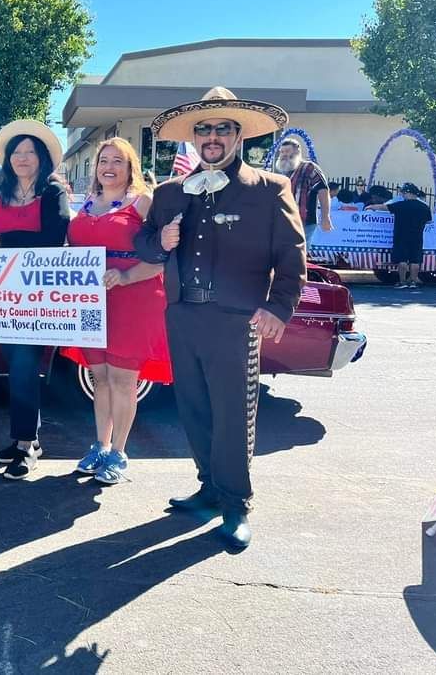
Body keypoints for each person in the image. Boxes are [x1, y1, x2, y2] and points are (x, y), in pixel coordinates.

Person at [135, 87, 306, 549]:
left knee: (233, 412)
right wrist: (161, 242)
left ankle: (235, 503)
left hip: (236, 320)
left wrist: (278, 307)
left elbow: (292, 255)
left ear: (238, 135)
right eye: (204, 129)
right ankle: (209, 487)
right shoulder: (169, 192)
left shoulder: (269, 189)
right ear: (193, 138)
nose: (212, 137)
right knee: (192, 407)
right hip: (183, 314)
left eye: (222, 129)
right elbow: (144, 244)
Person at [63, 137, 170, 485]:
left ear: (130, 168)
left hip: (133, 298)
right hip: (92, 302)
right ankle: (100, 444)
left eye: (117, 161)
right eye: (103, 161)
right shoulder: (87, 203)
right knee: (101, 378)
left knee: (124, 379)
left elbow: (162, 257)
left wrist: (125, 276)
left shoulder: (143, 204)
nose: (108, 167)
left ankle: (118, 453)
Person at [0, 120, 70, 480]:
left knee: (26, 366)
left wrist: (4, 239)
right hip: (3, 297)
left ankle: (27, 443)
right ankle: (25, 439)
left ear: (42, 157)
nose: (22, 158)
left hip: (38, 296)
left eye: (30, 152)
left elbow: (52, 237)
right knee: (17, 368)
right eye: (17, 152)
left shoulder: (54, 192)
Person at [365, 182, 432, 288]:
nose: (402, 195)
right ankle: (413, 282)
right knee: (415, 260)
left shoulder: (401, 205)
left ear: (408, 193)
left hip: (402, 235)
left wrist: (371, 206)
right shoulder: (424, 207)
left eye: (403, 192)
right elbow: (428, 221)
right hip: (418, 236)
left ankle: (403, 282)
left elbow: (385, 207)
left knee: (402, 259)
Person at [275, 137, 332, 244]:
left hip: (304, 222)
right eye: (282, 152)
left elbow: (323, 190)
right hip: (284, 222)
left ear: (297, 151)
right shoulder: (281, 172)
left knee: (297, 254)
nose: (283, 154)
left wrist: (325, 217)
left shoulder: (309, 168)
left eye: (287, 151)